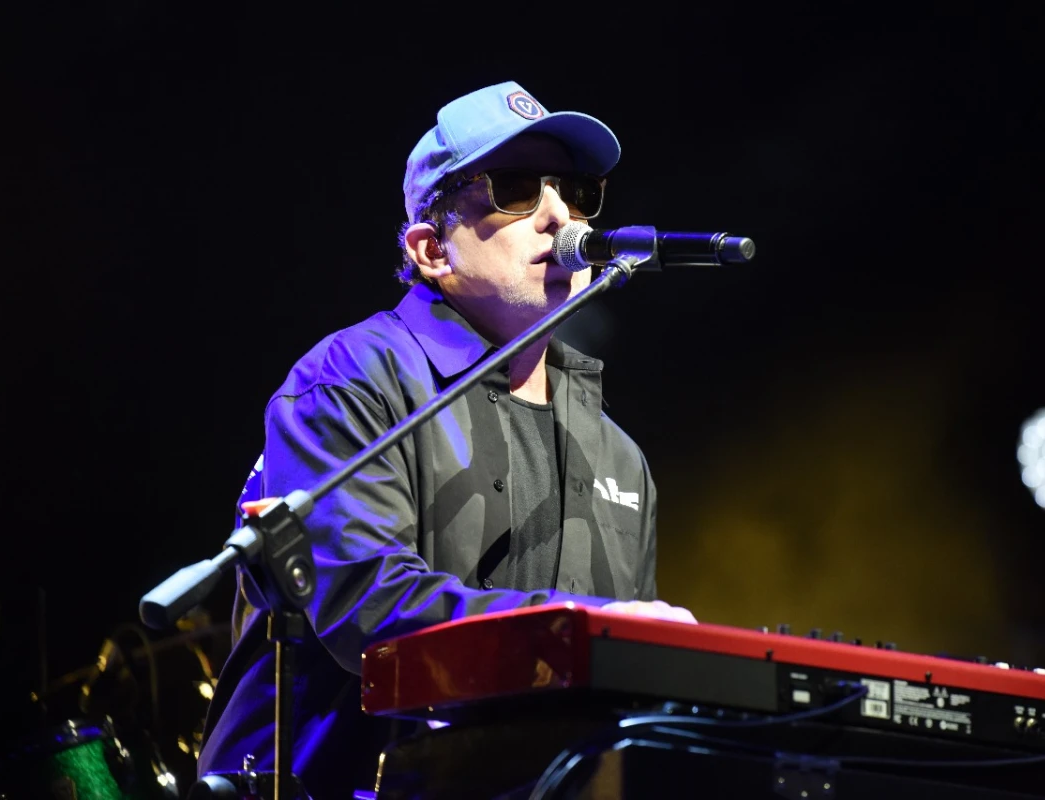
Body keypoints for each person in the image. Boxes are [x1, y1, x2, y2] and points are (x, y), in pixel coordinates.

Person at [195, 80, 696, 800]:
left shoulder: (619, 457)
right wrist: (581, 628)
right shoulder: (350, 380)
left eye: (578, 190)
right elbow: (372, 609)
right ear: (433, 250)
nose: (560, 214)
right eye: (517, 188)